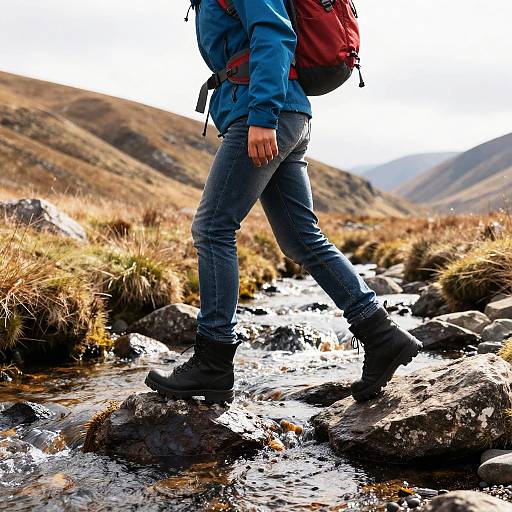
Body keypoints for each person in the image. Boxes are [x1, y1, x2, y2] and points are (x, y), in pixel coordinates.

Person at [145, 0, 422, 403]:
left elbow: (274, 34)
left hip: (264, 113)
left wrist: (262, 116)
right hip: (282, 111)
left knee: (213, 228)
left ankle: (213, 359)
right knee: (301, 239)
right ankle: (381, 334)